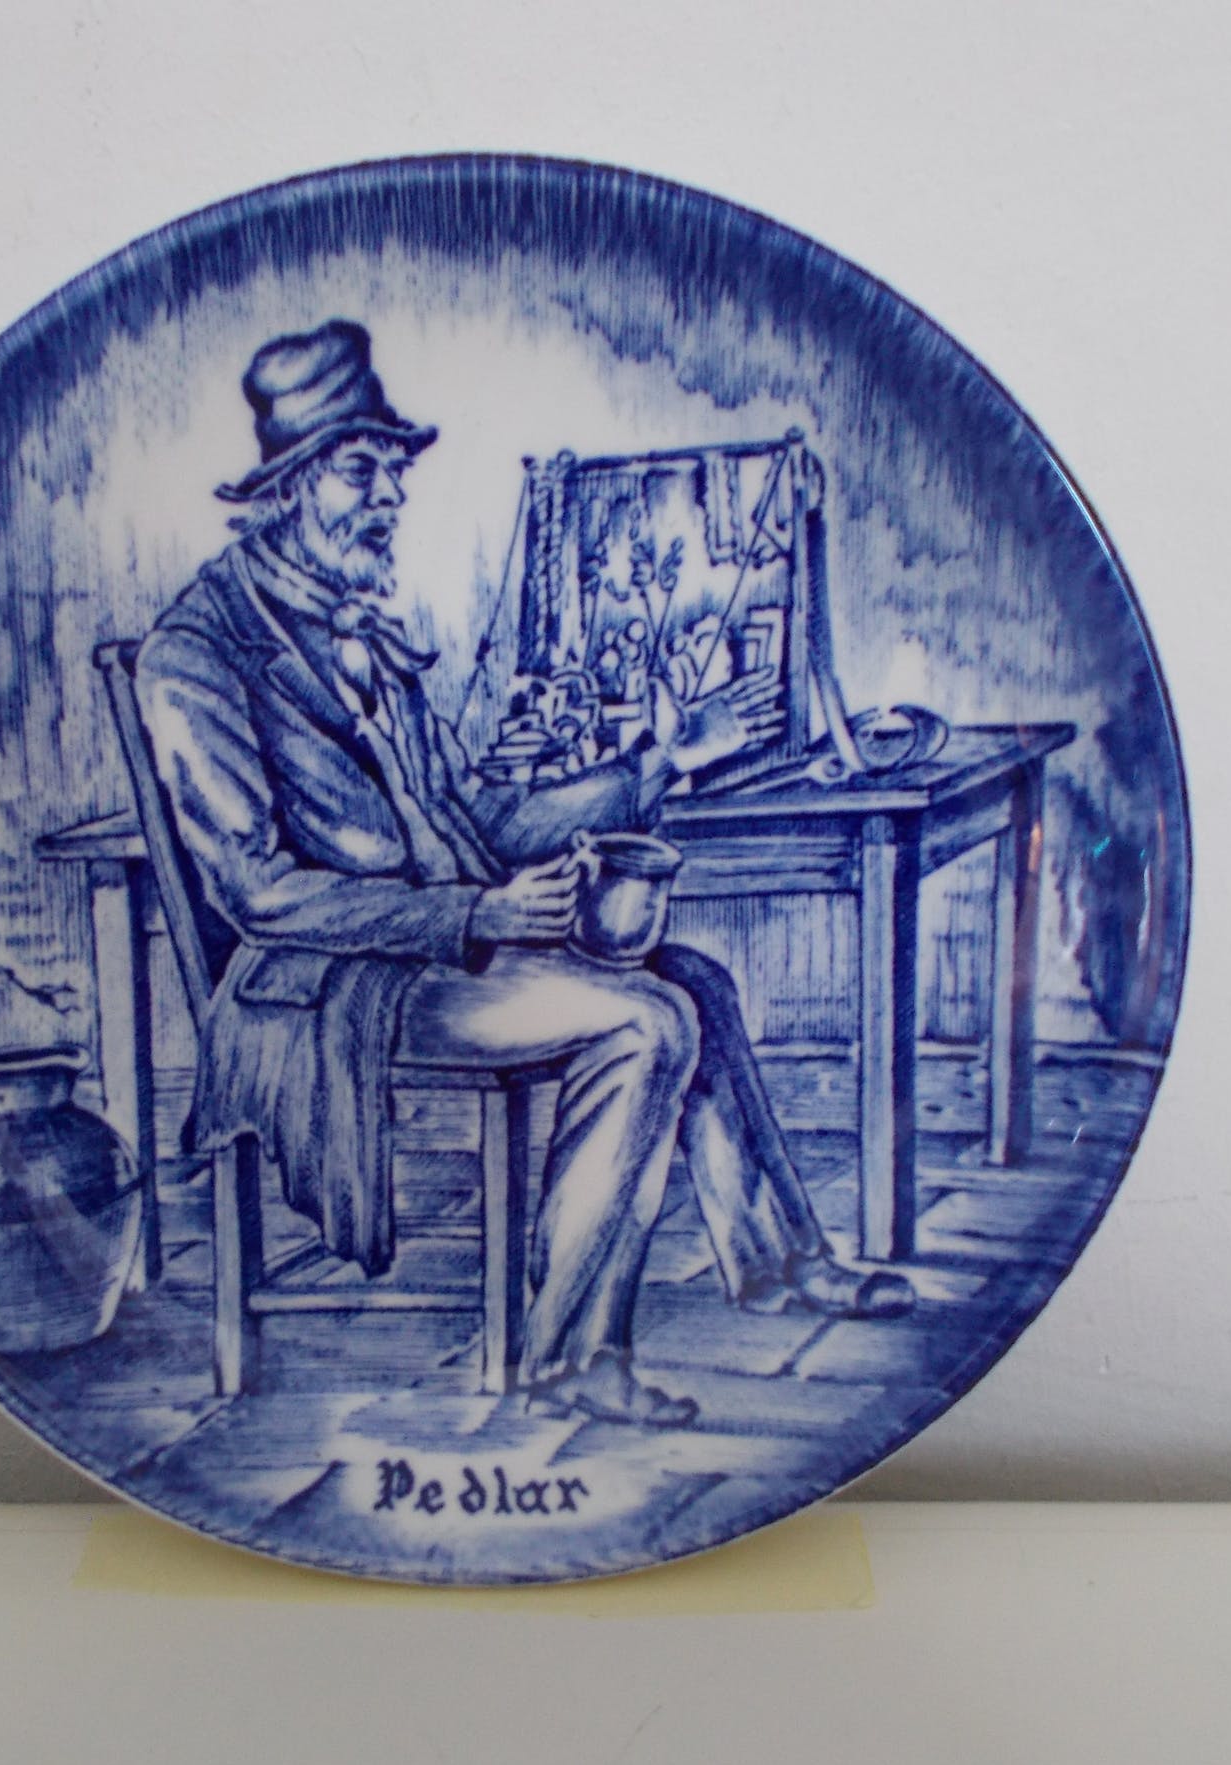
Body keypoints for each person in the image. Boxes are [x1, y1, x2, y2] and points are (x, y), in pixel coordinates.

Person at [133, 320, 911, 1427]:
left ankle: (782, 1264)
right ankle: (571, 1356)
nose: (389, 498)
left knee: (697, 981)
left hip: (430, 954)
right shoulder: (196, 653)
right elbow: (258, 895)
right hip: (329, 992)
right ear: (288, 488)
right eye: (361, 471)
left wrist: (656, 766)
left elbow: (480, 813)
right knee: (645, 1023)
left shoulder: (363, 633)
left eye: (393, 472)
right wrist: (476, 913)